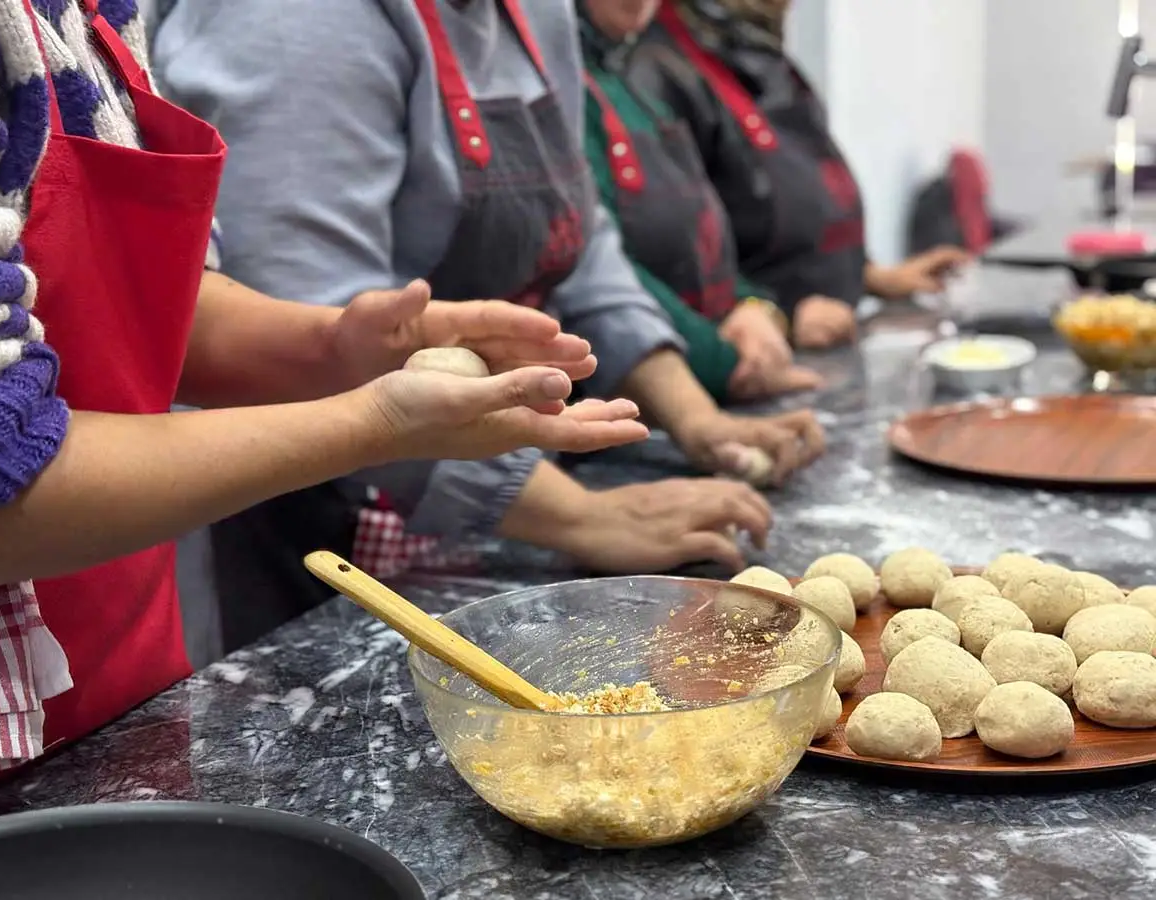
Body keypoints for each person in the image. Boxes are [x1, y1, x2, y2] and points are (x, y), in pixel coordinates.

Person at [0, 0, 650, 794]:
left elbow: (155, 310)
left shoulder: (89, 15)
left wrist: (332, 351)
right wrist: (377, 420)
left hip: (114, 689)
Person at [150, 0, 827, 645]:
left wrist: (696, 417)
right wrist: (580, 516)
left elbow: (581, 239)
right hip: (322, 533)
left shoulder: (536, 12)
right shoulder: (295, 21)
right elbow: (316, 332)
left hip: (502, 502)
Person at [632, 0, 970, 349]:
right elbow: (682, 254)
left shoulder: (759, 54)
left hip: (826, 338)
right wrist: (784, 314)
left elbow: (806, 201)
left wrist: (871, 276)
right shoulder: (658, 72)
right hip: (757, 355)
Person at [577, 0, 822, 403]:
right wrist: (727, 363)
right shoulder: (571, 93)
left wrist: (754, 308)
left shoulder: (629, 84)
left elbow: (706, 229)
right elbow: (600, 270)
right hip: (642, 401)